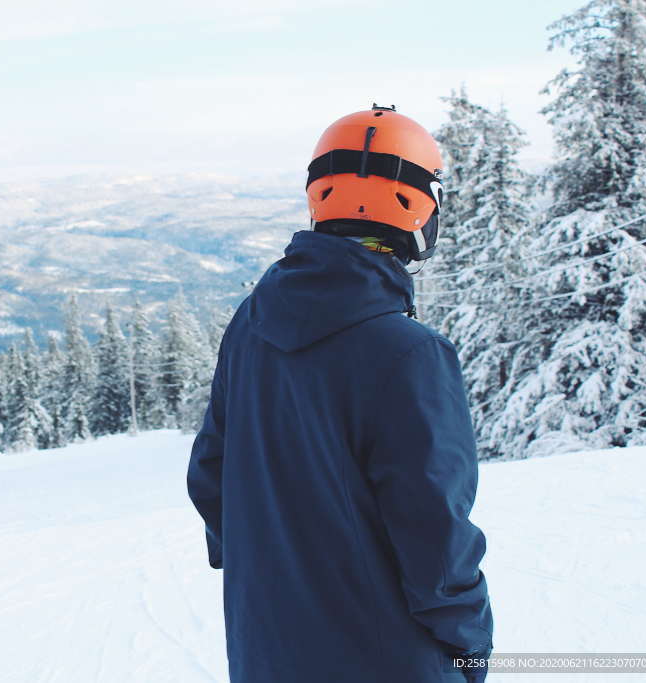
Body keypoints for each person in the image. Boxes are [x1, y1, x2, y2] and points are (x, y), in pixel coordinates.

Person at [186, 105, 493, 683]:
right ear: (421, 208)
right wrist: (470, 650)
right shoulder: (411, 354)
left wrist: (269, 574)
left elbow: (210, 475)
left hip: (264, 653)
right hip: (388, 661)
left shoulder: (251, 323)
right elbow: (436, 539)